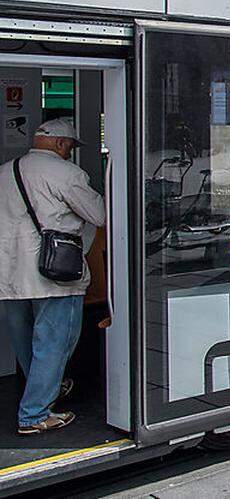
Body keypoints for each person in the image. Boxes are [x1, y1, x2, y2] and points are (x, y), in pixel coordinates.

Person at [0, 118, 105, 434]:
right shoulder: (66, 173)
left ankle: (47, 390)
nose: (70, 151)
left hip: (8, 273)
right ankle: (34, 414)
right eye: (71, 146)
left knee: (26, 341)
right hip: (53, 272)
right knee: (54, 343)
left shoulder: (5, 172)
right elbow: (99, 214)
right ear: (62, 144)